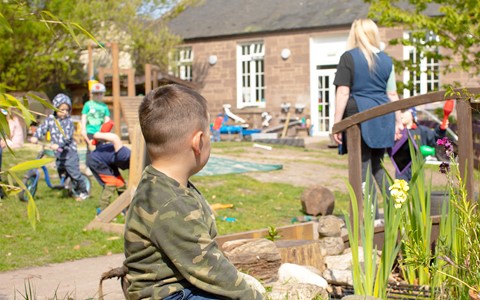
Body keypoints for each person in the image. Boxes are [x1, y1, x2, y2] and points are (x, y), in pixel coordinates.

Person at [123, 84, 264, 299]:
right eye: (209, 133)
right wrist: (252, 296)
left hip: (181, 287)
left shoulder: (164, 186)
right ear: (198, 142)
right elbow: (208, 267)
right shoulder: (170, 203)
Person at [332, 19, 403, 218]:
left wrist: (337, 124)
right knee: (377, 164)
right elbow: (392, 95)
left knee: (362, 166)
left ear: (355, 34)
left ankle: (372, 217)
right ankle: (396, 209)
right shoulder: (387, 60)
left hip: (360, 115)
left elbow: (343, 93)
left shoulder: (349, 57)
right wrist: (397, 121)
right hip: (383, 115)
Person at [30, 93, 89, 201]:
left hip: (69, 152)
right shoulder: (51, 119)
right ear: (55, 108)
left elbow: (67, 136)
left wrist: (59, 144)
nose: (64, 112)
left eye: (67, 110)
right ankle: (67, 185)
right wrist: (36, 136)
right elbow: (42, 128)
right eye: (62, 109)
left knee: (74, 174)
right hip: (58, 153)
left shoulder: (69, 122)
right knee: (61, 171)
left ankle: (84, 192)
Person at [87, 121, 130, 213]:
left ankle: (126, 209)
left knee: (120, 184)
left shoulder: (128, 159)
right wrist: (97, 135)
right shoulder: (124, 155)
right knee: (111, 183)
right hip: (96, 161)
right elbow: (115, 138)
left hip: (106, 161)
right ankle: (103, 211)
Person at [395, 107, 447, 181]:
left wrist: (441, 129)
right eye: (399, 112)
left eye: (403, 111)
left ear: (412, 114)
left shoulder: (421, 130)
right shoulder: (397, 132)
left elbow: (435, 138)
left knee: (417, 190)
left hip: (417, 168)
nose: (400, 115)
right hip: (401, 169)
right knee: (401, 190)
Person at [0, 108, 25, 197]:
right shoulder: (14, 120)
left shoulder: (12, 121)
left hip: (14, 142)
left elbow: (8, 134)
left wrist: (3, 139)